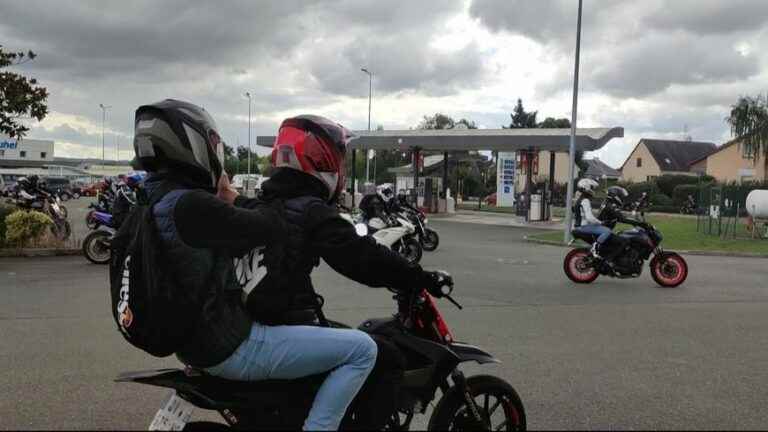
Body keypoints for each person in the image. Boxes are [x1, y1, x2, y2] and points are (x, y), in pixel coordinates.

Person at [222, 114, 446, 429]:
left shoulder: (265, 203)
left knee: (344, 331)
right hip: (280, 326)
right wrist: (418, 276)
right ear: (324, 159)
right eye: (339, 156)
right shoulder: (311, 211)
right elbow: (363, 259)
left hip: (259, 319)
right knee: (387, 358)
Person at [572, 178, 613, 258]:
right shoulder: (585, 201)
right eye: (592, 188)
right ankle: (596, 247)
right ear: (587, 188)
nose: (593, 190)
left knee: (600, 228)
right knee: (607, 231)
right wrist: (601, 222)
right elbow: (589, 218)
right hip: (583, 227)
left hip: (579, 226)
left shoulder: (579, 200)